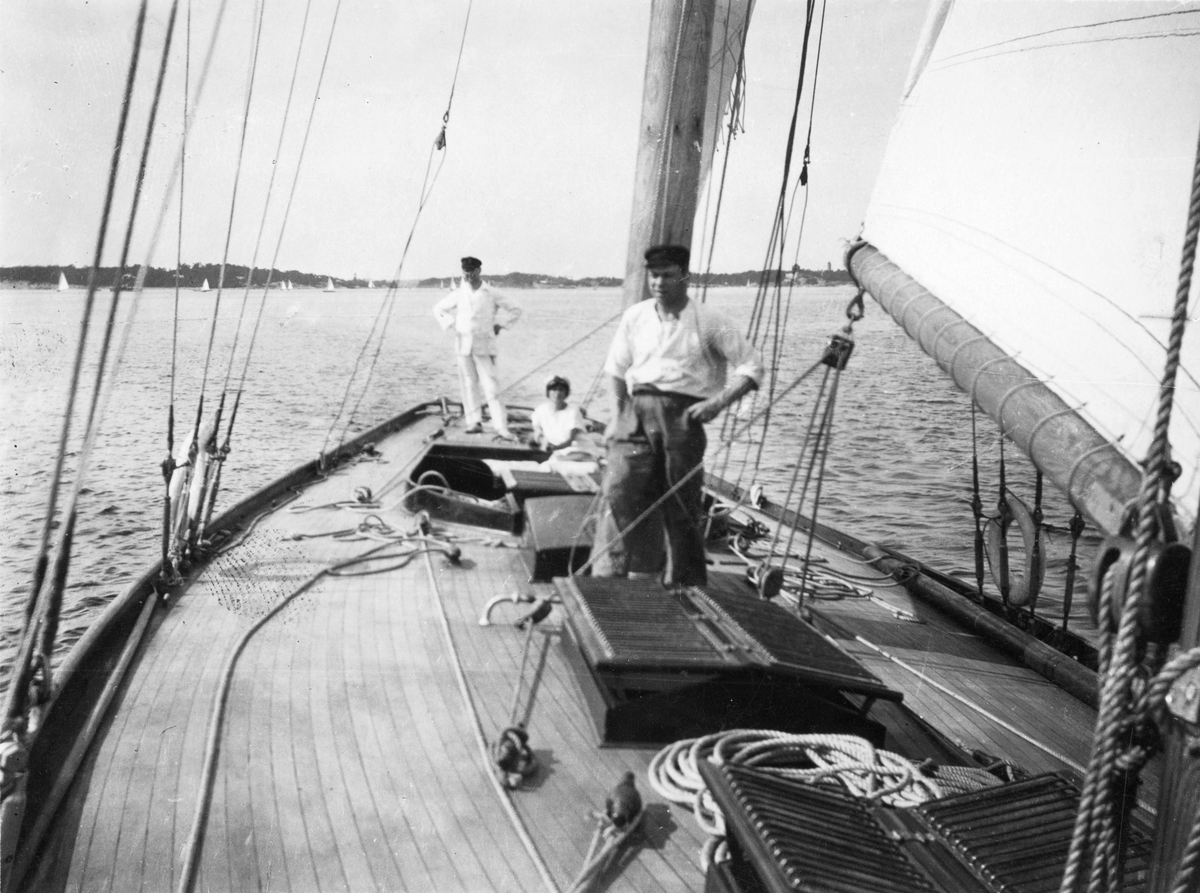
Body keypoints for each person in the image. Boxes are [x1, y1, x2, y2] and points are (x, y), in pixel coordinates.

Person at [593, 244, 763, 587]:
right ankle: (607, 578)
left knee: (681, 503)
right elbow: (616, 369)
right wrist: (617, 416)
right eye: (654, 276)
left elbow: (752, 367)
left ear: (685, 276)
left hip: (682, 419)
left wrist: (717, 403)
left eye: (668, 275)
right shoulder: (636, 316)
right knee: (618, 489)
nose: (659, 283)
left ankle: (684, 584)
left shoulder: (711, 321)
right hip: (636, 412)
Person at [432, 256, 522, 437]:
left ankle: (500, 425)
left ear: (478, 270)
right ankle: (474, 422)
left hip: (485, 346)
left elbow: (516, 309)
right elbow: (438, 309)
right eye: (465, 270)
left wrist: (501, 325)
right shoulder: (459, 293)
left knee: (491, 386)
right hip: (463, 347)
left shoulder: (491, 292)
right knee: (468, 384)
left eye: (471, 270)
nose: (468, 274)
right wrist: (453, 325)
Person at [530, 375, 587, 452]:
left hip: (576, 449)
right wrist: (540, 437)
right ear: (548, 392)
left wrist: (553, 448)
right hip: (555, 448)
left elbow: (570, 441)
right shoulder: (541, 410)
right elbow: (537, 428)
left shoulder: (573, 411)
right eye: (553, 389)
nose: (557, 393)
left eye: (561, 390)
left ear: (566, 393)